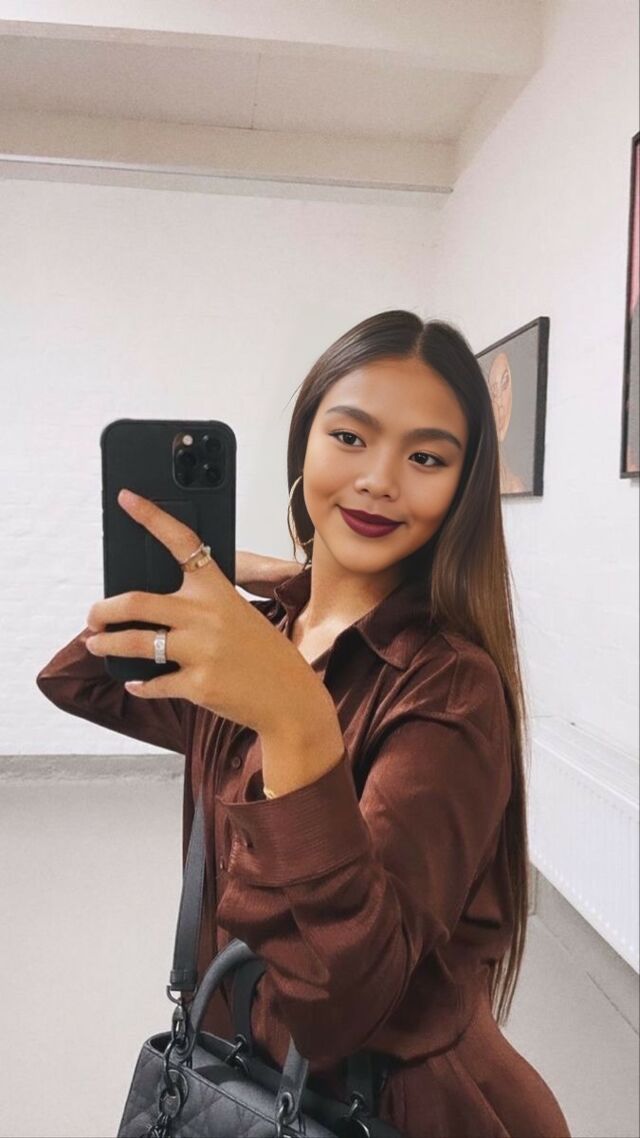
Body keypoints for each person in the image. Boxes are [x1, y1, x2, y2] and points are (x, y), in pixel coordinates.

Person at [36, 311, 572, 1138]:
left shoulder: (448, 686)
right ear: (304, 444)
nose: (380, 480)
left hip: (379, 1105)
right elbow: (78, 680)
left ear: (463, 488)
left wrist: (294, 720)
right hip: (233, 1064)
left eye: (427, 457)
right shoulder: (266, 637)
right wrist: (252, 576)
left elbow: (341, 1002)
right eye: (350, 437)